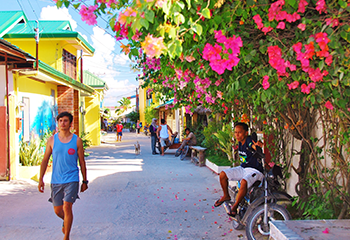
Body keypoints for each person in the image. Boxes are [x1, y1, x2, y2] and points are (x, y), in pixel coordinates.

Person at [38, 111, 88, 240]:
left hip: (72, 178)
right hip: (56, 179)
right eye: (60, 121)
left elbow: (82, 162)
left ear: (70, 123)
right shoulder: (51, 140)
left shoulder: (77, 140)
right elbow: (45, 160)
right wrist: (41, 179)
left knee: (67, 206)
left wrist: (85, 181)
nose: (62, 123)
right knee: (58, 210)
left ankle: (66, 236)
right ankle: (66, 221)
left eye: (65, 121)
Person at [214, 122, 263, 217]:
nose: (237, 134)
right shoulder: (240, 142)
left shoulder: (248, 140)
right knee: (223, 175)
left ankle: (235, 206)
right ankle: (226, 195)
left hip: (255, 170)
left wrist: (256, 146)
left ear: (246, 132)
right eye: (235, 132)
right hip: (243, 168)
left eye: (239, 132)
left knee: (244, 181)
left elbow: (252, 145)